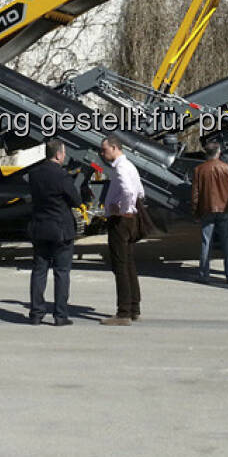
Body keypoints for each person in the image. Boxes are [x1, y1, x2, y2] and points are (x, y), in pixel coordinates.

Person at [26, 139, 79, 325]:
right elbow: (75, 199)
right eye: (63, 153)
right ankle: (60, 315)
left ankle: (36, 313)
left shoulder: (34, 174)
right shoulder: (62, 176)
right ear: (58, 154)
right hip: (61, 229)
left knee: (39, 271)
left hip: (40, 227)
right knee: (61, 272)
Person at [99, 136, 144, 325]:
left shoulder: (120, 168)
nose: (102, 153)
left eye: (105, 150)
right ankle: (134, 307)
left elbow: (129, 191)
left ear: (115, 148)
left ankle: (123, 313)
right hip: (128, 220)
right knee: (128, 263)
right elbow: (140, 191)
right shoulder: (130, 166)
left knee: (120, 265)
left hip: (120, 221)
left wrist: (125, 209)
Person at [192, 141, 228, 284]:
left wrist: (195, 212)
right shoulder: (227, 168)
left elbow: (195, 194)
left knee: (206, 242)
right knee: (227, 244)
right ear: (218, 152)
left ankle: (204, 275)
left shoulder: (199, 170)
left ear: (206, 153)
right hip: (225, 210)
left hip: (207, 209)